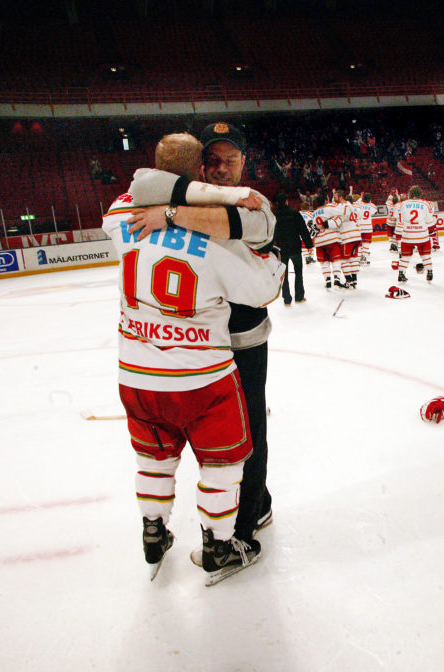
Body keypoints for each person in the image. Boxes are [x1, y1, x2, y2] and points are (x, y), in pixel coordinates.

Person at [101, 132, 284, 582]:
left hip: (148, 366)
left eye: (229, 160)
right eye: (211, 162)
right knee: (224, 458)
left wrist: (168, 210)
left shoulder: (127, 214)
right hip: (205, 366)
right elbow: (263, 288)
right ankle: (223, 540)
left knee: (159, 457)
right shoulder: (222, 233)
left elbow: (126, 204)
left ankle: (166, 527)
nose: (220, 169)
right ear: (199, 168)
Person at [272, 192, 313, 305]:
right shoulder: (294, 213)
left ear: (276, 203)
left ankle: (287, 298)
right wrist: (309, 245)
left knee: (283, 274)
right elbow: (303, 230)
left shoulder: (274, 216)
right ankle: (299, 296)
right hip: (295, 247)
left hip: (281, 249)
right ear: (286, 201)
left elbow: (271, 234)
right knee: (298, 272)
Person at [395, 185, 435, 283]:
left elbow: (401, 218)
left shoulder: (403, 204)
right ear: (420, 194)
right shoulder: (426, 204)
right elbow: (430, 221)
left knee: (405, 256)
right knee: (426, 255)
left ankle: (401, 274)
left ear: (411, 193)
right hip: (422, 234)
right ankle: (429, 271)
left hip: (407, 234)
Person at [311, 191, 346, 288]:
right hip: (331, 238)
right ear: (326, 201)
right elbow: (341, 212)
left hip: (319, 240)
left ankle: (327, 280)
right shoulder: (329, 209)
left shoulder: (314, 214)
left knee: (324, 262)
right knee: (336, 259)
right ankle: (337, 278)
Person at [354, 192, 378, 264]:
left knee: (359, 243)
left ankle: (358, 258)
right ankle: (364, 258)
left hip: (359, 226)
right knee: (366, 244)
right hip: (368, 227)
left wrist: (361, 197)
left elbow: (356, 202)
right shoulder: (372, 206)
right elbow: (375, 211)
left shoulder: (358, 204)